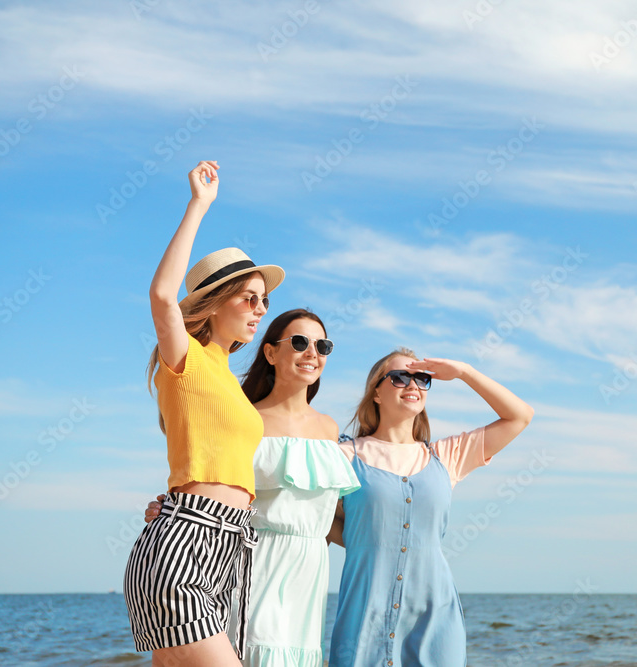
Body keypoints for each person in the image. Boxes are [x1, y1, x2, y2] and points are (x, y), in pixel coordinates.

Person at [123, 160, 285, 666]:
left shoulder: (231, 383)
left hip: (230, 550)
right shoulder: (185, 359)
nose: (261, 310)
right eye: (251, 298)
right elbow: (162, 297)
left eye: (264, 300)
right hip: (188, 545)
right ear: (215, 303)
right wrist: (199, 204)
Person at [145, 308, 360, 666]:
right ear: (270, 352)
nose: (312, 353)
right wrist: (169, 511)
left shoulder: (329, 429)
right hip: (251, 563)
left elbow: (328, 520)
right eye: (300, 342)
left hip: (308, 574)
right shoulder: (244, 419)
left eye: (322, 346)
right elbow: (206, 478)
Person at [329, 349, 533, 666]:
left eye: (422, 379)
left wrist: (464, 372)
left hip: (435, 615)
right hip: (364, 614)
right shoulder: (344, 456)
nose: (413, 385)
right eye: (399, 377)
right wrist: (362, 539)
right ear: (376, 394)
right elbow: (313, 517)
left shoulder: (446, 456)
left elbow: (520, 416)